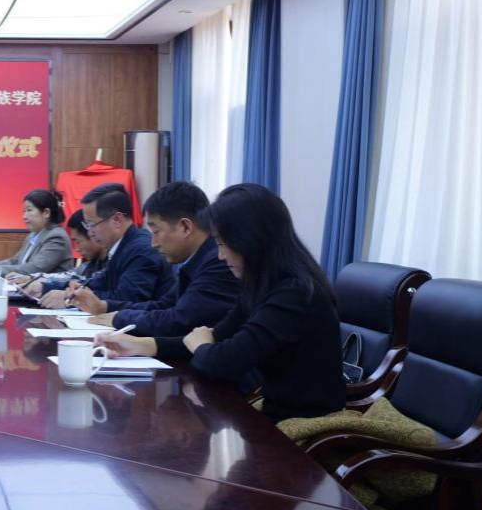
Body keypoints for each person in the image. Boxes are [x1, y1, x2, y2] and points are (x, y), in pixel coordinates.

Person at [97, 183, 345, 422]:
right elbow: (216, 337)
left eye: (222, 243)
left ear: (250, 241)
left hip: (302, 425)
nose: (220, 255)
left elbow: (222, 362)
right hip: (272, 412)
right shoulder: (261, 285)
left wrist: (201, 344)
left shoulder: (294, 293)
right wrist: (142, 345)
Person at [75, 181, 239, 336]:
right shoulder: (197, 259)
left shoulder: (217, 261)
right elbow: (163, 305)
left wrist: (121, 318)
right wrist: (105, 306)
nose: (153, 243)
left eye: (156, 231)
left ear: (185, 227)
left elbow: (180, 320)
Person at [69, 182, 174, 305]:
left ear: (117, 220)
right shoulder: (121, 246)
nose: (90, 232)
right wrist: (76, 289)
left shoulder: (141, 249)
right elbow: (101, 282)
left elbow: (125, 299)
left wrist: (74, 298)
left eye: (91, 224)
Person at [0, 188, 74, 277]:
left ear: (46, 213)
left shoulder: (56, 237)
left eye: (29, 210)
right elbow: (15, 261)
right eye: (24, 211)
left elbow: (34, 269)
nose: (24, 216)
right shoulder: (33, 235)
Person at [16, 211, 107, 306]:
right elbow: (71, 276)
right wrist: (33, 279)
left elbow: (108, 296)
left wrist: (67, 298)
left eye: (77, 241)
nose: (77, 248)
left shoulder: (56, 236)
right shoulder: (92, 264)